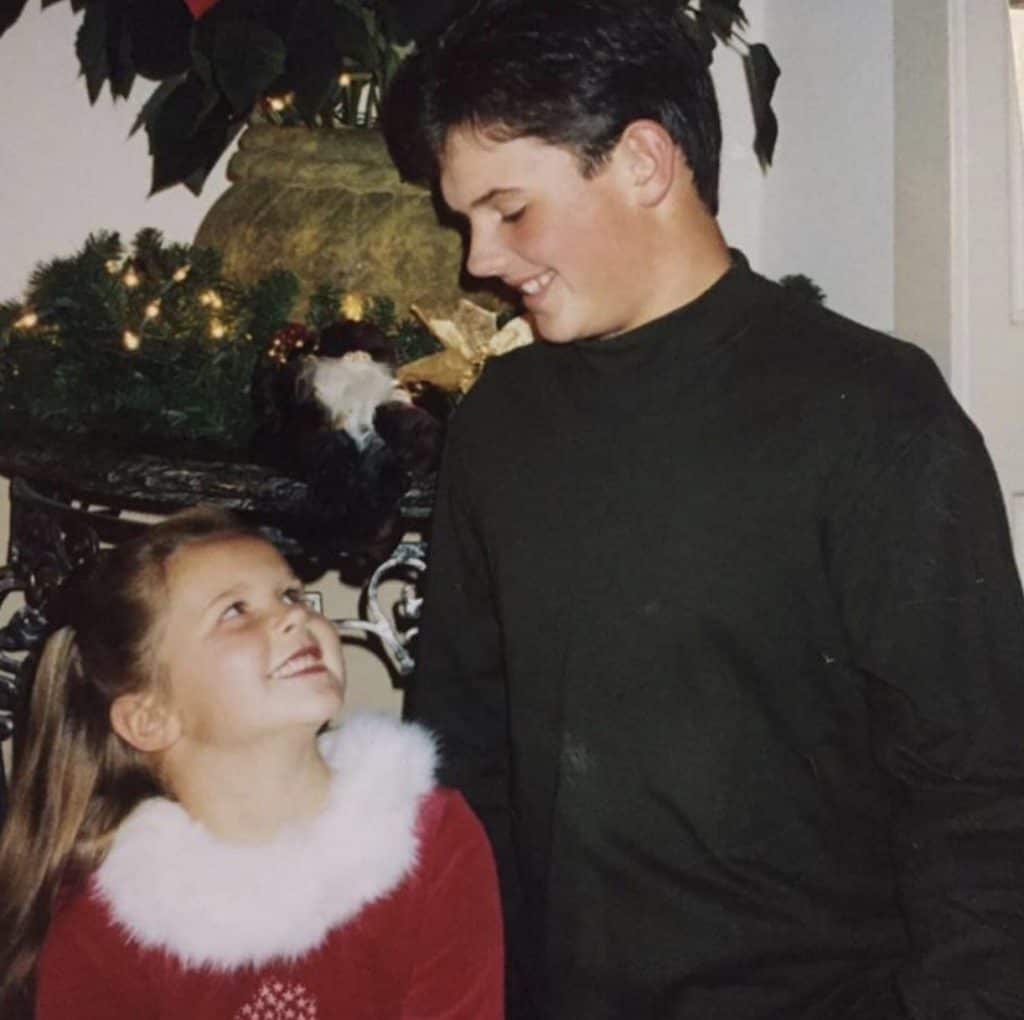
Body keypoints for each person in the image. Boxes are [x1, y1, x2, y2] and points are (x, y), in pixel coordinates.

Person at [380, 1, 1024, 1017]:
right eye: (466, 220)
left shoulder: (872, 410)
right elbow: (459, 746)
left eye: (509, 209)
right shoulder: (500, 420)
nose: (480, 261)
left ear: (643, 161)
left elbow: (983, 796)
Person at [0, 507, 504, 1020]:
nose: (294, 615)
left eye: (290, 595)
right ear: (150, 718)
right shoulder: (103, 921)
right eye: (235, 610)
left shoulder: (433, 839)